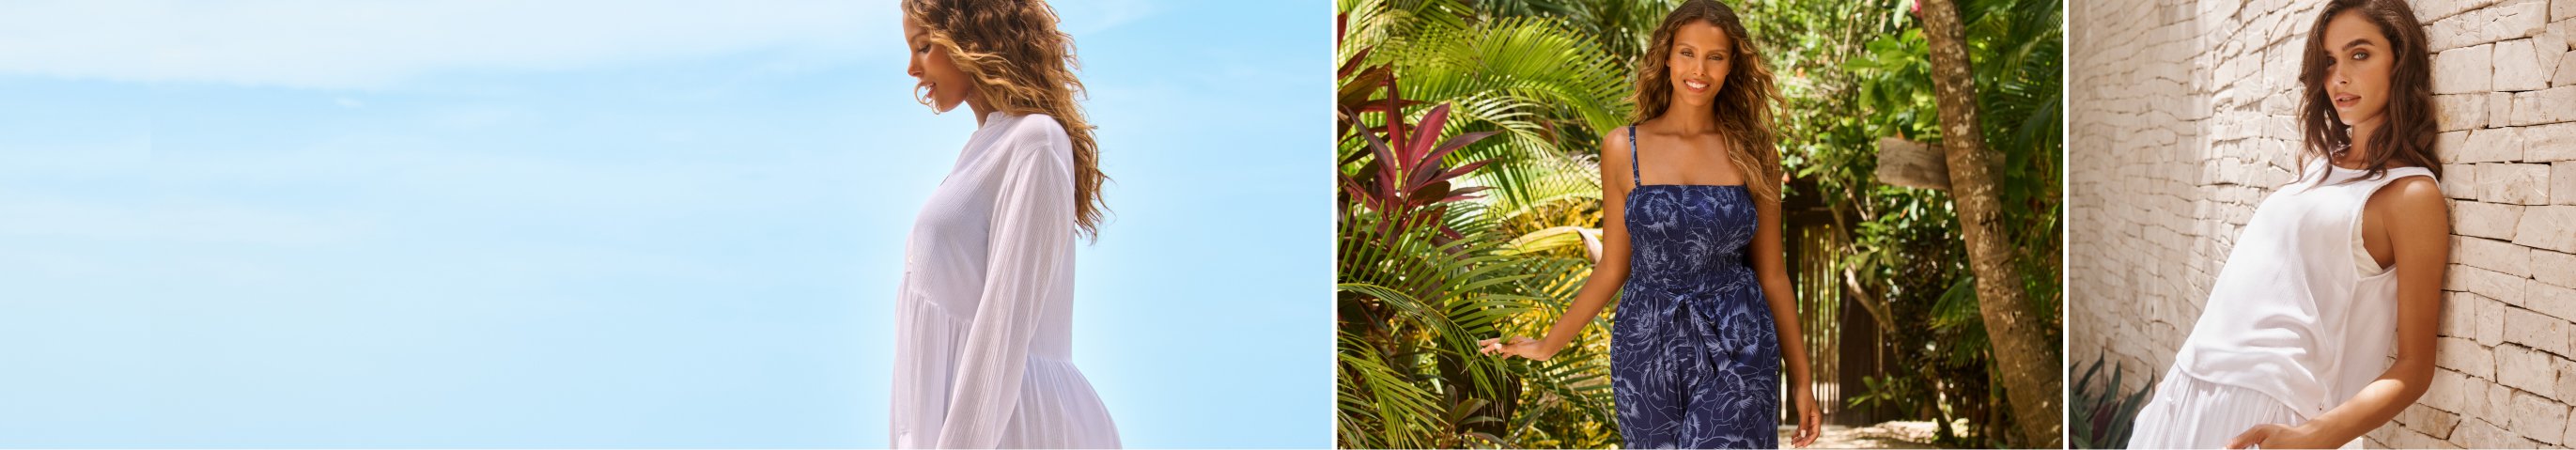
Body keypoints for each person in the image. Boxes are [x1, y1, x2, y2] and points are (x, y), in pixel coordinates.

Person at [1479, 1, 1820, 447]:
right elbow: (1613, 267)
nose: (1699, 69)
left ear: (1732, 65)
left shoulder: (1755, 153)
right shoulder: (1623, 148)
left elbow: (1773, 274)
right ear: (1666, 56)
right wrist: (1548, 344)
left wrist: (1801, 381)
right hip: (1646, 342)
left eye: (1715, 56)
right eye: (1687, 53)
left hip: (1738, 339)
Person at [2125, 0, 2448, 447]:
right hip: (2188, 393)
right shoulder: (2320, 166)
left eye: (2360, 54)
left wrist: (2313, 436)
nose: (2339, 77)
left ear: (2400, 60)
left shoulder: (2410, 196)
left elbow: (2415, 367)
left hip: (2269, 415)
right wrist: (2180, 380)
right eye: (2329, 61)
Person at [888, 0, 1118, 447]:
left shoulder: (1035, 141)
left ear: (970, 38)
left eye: (924, 46)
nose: (912, 69)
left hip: (1017, 425)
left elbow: (1005, 323)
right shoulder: (979, 155)